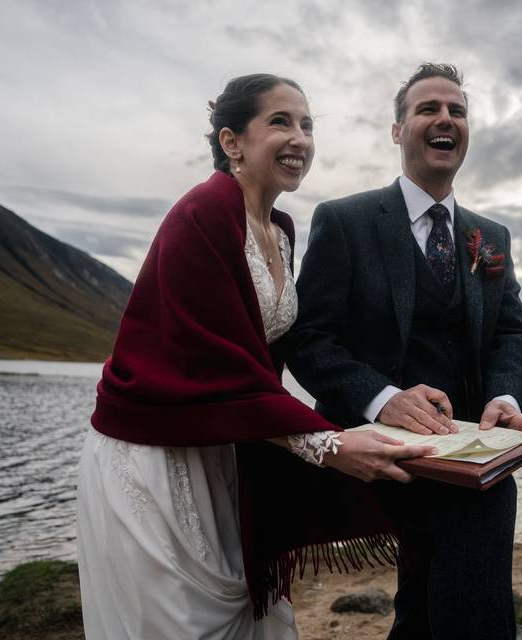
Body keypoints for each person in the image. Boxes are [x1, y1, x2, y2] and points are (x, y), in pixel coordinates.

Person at [76, 73, 435, 639]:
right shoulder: (203, 212)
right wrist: (329, 444)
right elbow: (217, 363)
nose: (300, 139)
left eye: (307, 125)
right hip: (156, 458)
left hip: (227, 448)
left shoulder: (282, 230)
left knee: (255, 617)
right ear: (231, 142)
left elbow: (284, 350)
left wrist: (386, 398)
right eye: (280, 122)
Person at [287, 63, 522, 639]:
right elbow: (308, 338)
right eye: (428, 109)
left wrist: (504, 395)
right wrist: (382, 400)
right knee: (470, 557)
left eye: (457, 111)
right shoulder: (345, 220)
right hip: (380, 453)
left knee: (434, 594)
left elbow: (514, 335)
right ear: (398, 130)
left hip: (471, 451)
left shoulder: (490, 237)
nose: (445, 119)